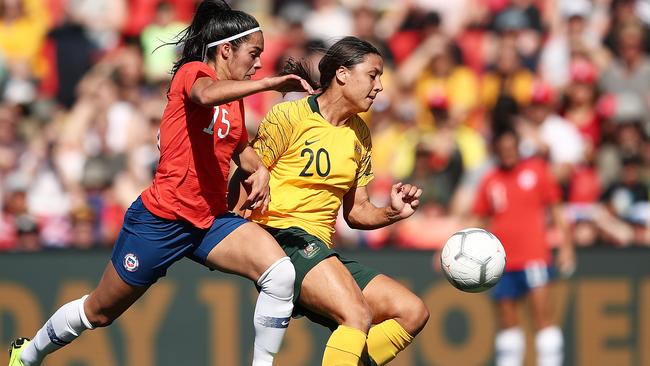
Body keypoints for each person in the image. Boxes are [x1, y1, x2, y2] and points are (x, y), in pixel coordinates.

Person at [8, 1, 315, 365]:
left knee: (279, 275)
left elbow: (235, 144)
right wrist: (269, 84)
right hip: (161, 220)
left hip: (210, 221)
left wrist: (259, 168)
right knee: (99, 312)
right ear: (226, 49)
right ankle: (27, 355)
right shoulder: (192, 73)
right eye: (254, 53)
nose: (259, 63)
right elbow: (203, 96)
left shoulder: (233, 96)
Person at [230, 36, 429, 366]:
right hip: (281, 239)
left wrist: (392, 212)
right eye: (373, 75)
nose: (379, 86)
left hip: (319, 251)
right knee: (356, 315)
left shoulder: (360, 135)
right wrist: (233, 231)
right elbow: (248, 174)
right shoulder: (289, 116)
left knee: (412, 312)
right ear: (342, 74)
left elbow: (357, 212)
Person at [471, 128, 575, 366]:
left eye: (511, 148)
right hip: (501, 262)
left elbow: (557, 210)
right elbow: (478, 217)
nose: (508, 154)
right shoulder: (491, 179)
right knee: (508, 324)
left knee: (542, 318)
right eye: (503, 150)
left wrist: (567, 246)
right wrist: (450, 243)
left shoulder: (536, 172)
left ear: (519, 148)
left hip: (534, 257)